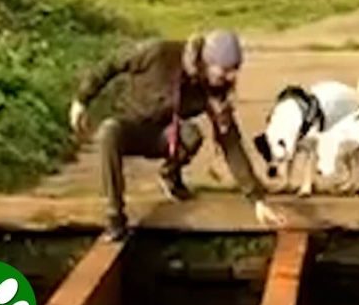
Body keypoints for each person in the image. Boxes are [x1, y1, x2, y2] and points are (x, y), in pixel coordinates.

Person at [68, 30, 287, 241]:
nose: (230, 77)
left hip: (164, 137)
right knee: (109, 131)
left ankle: (170, 175)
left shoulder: (213, 91)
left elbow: (231, 145)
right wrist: (82, 100)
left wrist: (256, 199)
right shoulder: (157, 53)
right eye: (225, 70)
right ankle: (115, 216)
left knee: (191, 135)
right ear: (206, 61)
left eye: (235, 70)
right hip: (131, 129)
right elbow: (112, 64)